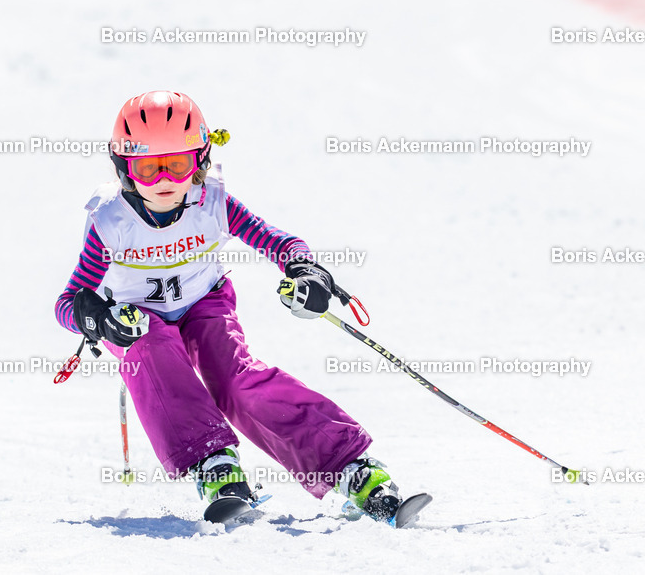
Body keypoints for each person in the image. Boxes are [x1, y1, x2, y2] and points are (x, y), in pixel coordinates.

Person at [54, 90, 405, 522]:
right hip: (135, 318)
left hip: (205, 302)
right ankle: (213, 464)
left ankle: (350, 469)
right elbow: (67, 303)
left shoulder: (211, 202)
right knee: (150, 348)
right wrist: (94, 319)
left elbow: (277, 240)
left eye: (178, 165)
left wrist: (303, 269)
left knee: (237, 383)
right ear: (124, 169)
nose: (164, 180)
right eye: (147, 168)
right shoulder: (109, 221)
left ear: (200, 161)